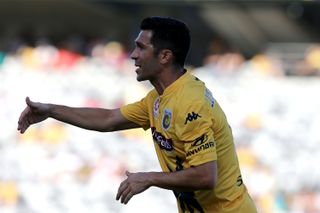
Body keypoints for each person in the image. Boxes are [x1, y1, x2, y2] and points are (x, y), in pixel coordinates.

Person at [17, 17, 257, 213]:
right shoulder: (159, 98)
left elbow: (206, 176)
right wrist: (50, 110)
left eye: (141, 47)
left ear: (164, 56)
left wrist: (148, 178)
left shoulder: (190, 103)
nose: (133, 55)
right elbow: (109, 119)